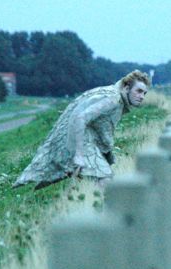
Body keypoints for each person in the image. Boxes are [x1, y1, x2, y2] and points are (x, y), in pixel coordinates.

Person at [12, 70, 150, 190]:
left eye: (144, 93)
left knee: (93, 173)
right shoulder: (112, 100)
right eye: (138, 91)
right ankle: (97, 208)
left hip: (87, 137)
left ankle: (82, 200)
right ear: (126, 88)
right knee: (104, 178)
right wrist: (79, 154)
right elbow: (80, 118)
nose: (142, 96)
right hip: (80, 139)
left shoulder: (115, 96)